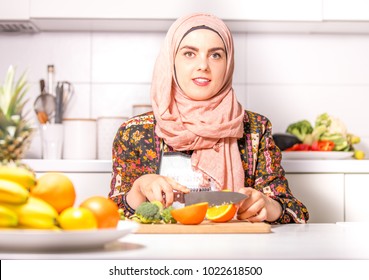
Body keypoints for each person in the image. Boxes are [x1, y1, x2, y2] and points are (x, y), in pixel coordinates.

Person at [109, 13, 309, 224]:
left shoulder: (255, 129)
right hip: (161, 253)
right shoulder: (134, 132)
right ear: (171, 61)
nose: (203, 65)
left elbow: (296, 211)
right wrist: (139, 189)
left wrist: (270, 207)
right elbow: (111, 213)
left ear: (228, 63)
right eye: (189, 53)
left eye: (215, 55)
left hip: (234, 250)